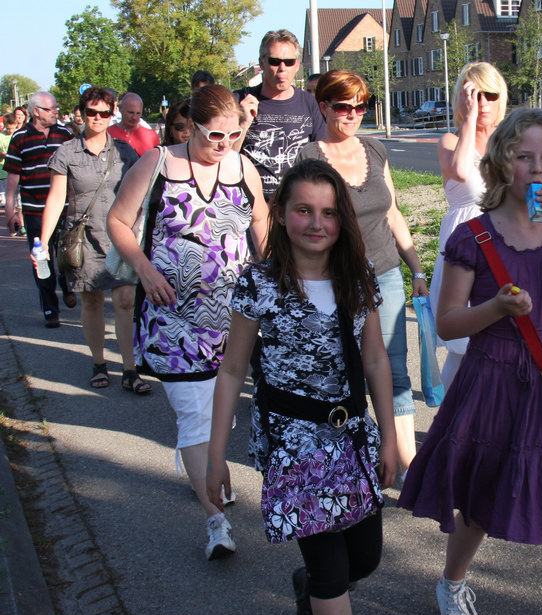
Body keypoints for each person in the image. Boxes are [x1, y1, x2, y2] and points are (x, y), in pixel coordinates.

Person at [398, 108, 542, 615]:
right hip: (491, 382)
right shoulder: (473, 235)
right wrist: (496, 308)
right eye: (524, 157)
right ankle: (452, 583)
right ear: (502, 163)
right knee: (478, 505)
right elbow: (448, 322)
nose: (537, 168)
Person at [207, 159, 397, 615]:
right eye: (303, 210)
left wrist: (389, 439)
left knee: (364, 559)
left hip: (352, 438)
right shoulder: (260, 281)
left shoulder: (358, 275)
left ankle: (310, 589)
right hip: (295, 444)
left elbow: (376, 359)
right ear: (280, 213)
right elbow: (232, 369)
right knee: (331, 571)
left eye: (329, 212)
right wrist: (215, 456)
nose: (317, 223)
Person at [107, 84, 269, 559]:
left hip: (234, 320)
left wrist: (274, 275)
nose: (225, 144)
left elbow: (260, 221)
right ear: (192, 126)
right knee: (194, 417)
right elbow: (118, 220)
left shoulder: (242, 166)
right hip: (173, 320)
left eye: (234, 135)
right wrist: (144, 269)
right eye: (215, 135)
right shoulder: (156, 163)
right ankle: (216, 522)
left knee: (222, 412)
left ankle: (210, 471)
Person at [297, 70, 428, 476]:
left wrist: (416, 269)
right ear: (324, 108)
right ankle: (348, 455)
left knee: (394, 367)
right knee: (342, 368)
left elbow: (393, 213)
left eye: (361, 106)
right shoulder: (309, 157)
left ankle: (406, 463)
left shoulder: (375, 148)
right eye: (343, 107)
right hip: (335, 278)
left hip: (385, 272)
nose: (353, 114)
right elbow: (304, 223)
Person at [34, 87, 147, 393]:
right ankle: (99, 363)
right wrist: (42, 241)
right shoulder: (66, 153)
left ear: (112, 115)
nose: (98, 118)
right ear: (82, 113)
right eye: (91, 112)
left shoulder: (124, 152)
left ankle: (130, 369)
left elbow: (141, 193)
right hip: (84, 239)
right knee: (93, 300)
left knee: (125, 301)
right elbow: (56, 198)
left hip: (120, 237)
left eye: (104, 113)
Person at [431, 62, 508, 389]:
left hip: (505, 244)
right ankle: (451, 416)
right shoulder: (450, 140)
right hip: (465, 249)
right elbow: (462, 172)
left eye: (491, 95)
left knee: (502, 339)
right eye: (476, 95)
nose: (484, 103)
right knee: (462, 347)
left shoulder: (509, 140)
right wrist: (470, 119)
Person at [3, 92, 76, 327]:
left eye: (56, 108)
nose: (56, 112)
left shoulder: (65, 134)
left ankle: (67, 285)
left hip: (64, 210)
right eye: (50, 108)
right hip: (35, 211)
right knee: (41, 261)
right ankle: (50, 309)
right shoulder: (19, 138)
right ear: (36, 111)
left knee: (68, 257)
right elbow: (13, 178)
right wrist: (11, 211)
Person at [234, 29, 327, 202]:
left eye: (289, 62)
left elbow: (323, 160)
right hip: (250, 206)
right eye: (275, 61)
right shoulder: (239, 100)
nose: (282, 69)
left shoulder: (310, 103)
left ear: (297, 65)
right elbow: (223, 158)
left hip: (297, 206)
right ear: (262, 63)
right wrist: (243, 124)